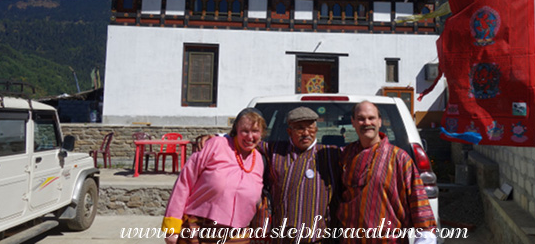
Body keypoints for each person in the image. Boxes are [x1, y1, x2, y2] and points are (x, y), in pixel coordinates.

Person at [196, 106, 341, 244]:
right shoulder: (275, 149)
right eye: (299, 128)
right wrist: (218, 138)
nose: (306, 133)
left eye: (310, 128)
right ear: (289, 132)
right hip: (282, 235)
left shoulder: (330, 153)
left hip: (319, 236)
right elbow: (247, 140)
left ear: (316, 129)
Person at [162, 108, 266, 244]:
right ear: (236, 130)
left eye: (255, 131)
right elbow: (184, 182)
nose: (250, 137)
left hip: (237, 234)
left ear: (262, 133)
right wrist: (172, 228)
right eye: (245, 131)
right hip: (199, 229)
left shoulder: (259, 158)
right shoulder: (215, 145)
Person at [338, 101, 437, 244]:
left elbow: (418, 200)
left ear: (379, 121)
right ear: (353, 122)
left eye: (371, 118)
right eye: (360, 118)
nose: (366, 123)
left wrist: (425, 236)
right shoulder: (346, 155)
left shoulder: (400, 158)